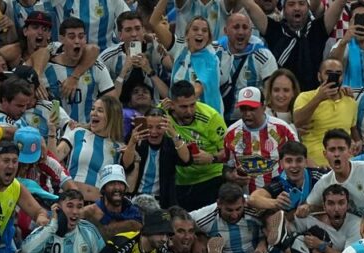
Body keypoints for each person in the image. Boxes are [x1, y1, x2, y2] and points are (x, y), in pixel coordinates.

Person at [165, 80, 228, 211]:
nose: (189, 111)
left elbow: (229, 152)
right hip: (179, 182)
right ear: (171, 104)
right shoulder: (163, 114)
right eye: (183, 107)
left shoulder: (211, 117)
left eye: (192, 105)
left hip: (210, 178)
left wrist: (212, 158)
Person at [223, 86, 298, 192]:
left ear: (263, 107)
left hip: (280, 195)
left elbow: (299, 160)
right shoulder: (231, 133)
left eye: (252, 109)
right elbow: (227, 165)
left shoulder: (284, 129)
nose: (247, 114)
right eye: (243, 109)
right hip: (247, 199)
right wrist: (231, 176)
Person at [45, 18, 116, 124]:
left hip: (88, 131)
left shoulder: (96, 66)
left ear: (86, 39)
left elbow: (113, 102)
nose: (77, 41)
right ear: (61, 39)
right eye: (72, 37)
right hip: (56, 132)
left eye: (81, 36)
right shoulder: (48, 68)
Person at [122, 107, 192, 206]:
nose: (154, 132)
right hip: (134, 199)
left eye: (159, 127)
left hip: (162, 203)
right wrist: (132, 142)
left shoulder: (171, 144)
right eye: (149, 127)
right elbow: (126, 165)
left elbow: (187, 160)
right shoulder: (136, 140)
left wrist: (174, 133)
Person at [293, 60, 358, 165]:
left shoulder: (351, 101)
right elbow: (298, 121)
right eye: (328, 73)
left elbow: (353, 131)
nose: (334, 77)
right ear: (319, 76)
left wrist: (357, 142)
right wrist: (319, 98)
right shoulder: (305, 97)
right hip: (314, 165)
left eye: (338, 74)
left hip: (345, 165)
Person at [81, 163, 143, 237]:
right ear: (103, 189)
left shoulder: (133, 211)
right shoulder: (89, 211)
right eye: (112, 184)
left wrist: (103, 222)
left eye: (120, 183)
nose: (117, 188)